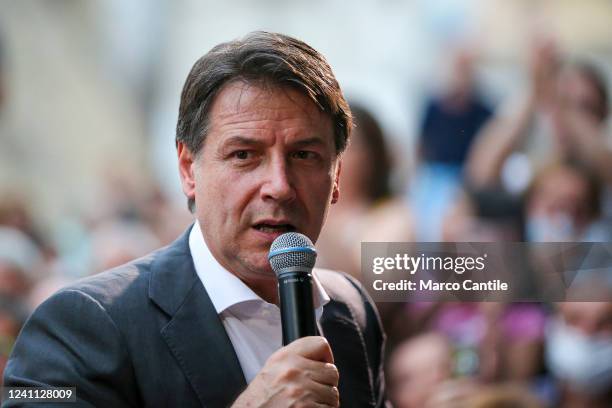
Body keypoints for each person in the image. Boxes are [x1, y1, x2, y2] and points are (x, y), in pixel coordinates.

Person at [3, 32, 386, 407]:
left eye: (304, 155)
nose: (279, 186)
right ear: (188, 169)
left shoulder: (349, 310)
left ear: (336, 177)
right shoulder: (82, 323)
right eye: (244, 155)